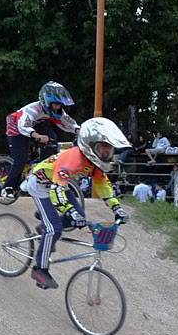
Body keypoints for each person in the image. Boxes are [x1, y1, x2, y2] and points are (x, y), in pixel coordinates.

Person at [25, 117, 130, 289]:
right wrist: (68, 210)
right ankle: (39, 270)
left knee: (79, 217)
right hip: (41, 184)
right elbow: (56, 190)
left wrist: (117, 208)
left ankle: (45, 225)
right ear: (92, 145)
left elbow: (104, 187)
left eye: (109, 148)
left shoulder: (95, 163)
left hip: (59, 183)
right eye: (103, 146)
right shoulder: (74, 158)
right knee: (54, 230)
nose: (106, 152)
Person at [0, 81, 80, 202]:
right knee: (20, 159)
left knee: (52, 140)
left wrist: (78, 130)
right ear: (47, 102)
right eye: (56, 104)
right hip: (17, 125)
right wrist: (37, 135)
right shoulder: (32, 109)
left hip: (37, 123)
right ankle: (8, 188)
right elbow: (23, 127)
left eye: (60, 105)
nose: (58, 107)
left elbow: (68, 123)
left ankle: (40, 171)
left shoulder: (56, 111)